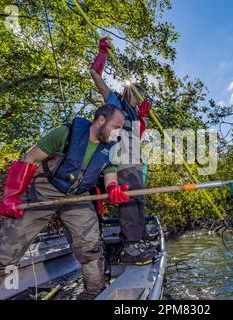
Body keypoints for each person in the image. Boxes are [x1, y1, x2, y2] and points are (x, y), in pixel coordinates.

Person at [0, 104, 129, 300]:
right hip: (44, 191)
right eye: (116, 126)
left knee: (91, 247)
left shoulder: (111, 147)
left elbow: (109, 171)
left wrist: (113, 187)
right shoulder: (64, 133)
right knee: (6, 252)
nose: (118, 133)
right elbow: (29, 158)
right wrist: (12, 194)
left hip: (78, 196)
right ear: (101, 120)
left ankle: (94, 293)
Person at [90, 37, 157, 265]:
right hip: (120, 161)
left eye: (141, 96)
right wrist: (103, 54)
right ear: (128, 92)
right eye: (136, 94)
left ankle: (139, 238)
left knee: (139, 201)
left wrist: (142, 119)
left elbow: (137, 139)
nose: (139, 99)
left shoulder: (136, 115)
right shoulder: (116, 103)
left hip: (136, 162)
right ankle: (130, 247)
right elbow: (96, 75)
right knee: (129, 201)